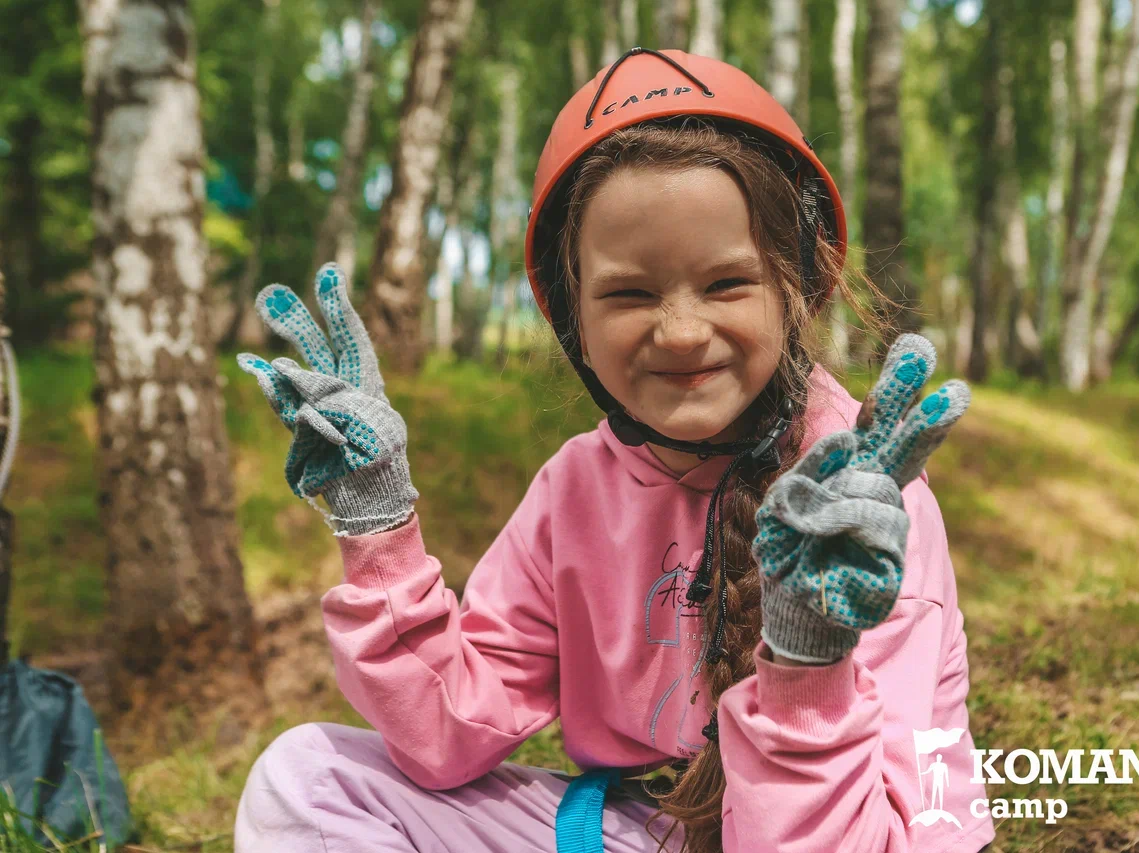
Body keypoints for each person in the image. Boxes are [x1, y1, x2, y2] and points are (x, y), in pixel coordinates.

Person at [233, 48, 995, 853]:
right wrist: (377, 519)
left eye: (726, 284)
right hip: (638, 828)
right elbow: (446, 731)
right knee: (308, 777)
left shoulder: (865, 499)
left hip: (837, 826)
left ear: (799, 283)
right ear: (574, 321)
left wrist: (808, 661)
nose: (680, 331)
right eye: (629, 294)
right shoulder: (575, 486)